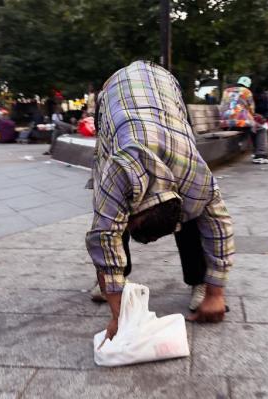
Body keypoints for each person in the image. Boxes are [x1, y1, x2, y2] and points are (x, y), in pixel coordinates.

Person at [86, 61, 234, 341]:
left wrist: (216, 292)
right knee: (110, 215)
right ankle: (110, 279)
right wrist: (120, 316)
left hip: (166, 90)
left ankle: (199, 280)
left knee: (195, 216)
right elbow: (104, 233)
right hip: (115, 94)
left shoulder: (195, 178)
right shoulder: (117, 173)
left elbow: (219, 227)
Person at [220, 77, 268, 164]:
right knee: (260, 129)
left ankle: (257, 153)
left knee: (251, 126)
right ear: (248, 85)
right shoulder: (246, 91)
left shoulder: (226, 91)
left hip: (225, 122)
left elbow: (223, 106)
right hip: (240, 122)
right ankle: (260, 155)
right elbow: (251, 109)